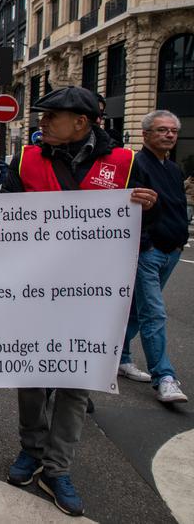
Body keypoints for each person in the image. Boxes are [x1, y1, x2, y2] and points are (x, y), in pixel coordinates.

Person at [3, 86, 158, 517]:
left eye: (52, 116)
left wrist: (147, 208)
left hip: (94, 297)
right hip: (34, 291)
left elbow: (149, 228)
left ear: (82, 123)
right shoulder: (24, 160)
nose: (42, 122)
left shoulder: (126, 164)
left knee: (75, 383)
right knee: (31, 377)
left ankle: (58, 467)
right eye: (42, 115)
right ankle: (31, 450)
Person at [117, 110, 187, 404]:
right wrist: (144, 244)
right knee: (154, 312)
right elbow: (131, 206)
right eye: (161, 130)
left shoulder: (173, 170)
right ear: (145, 135)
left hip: (172, 250)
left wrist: (180, 241)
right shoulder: (137, 165)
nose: (169, 135)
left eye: (172, 130)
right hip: (149, 251)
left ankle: (119, 356)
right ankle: (165, 377)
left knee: (136, 308)